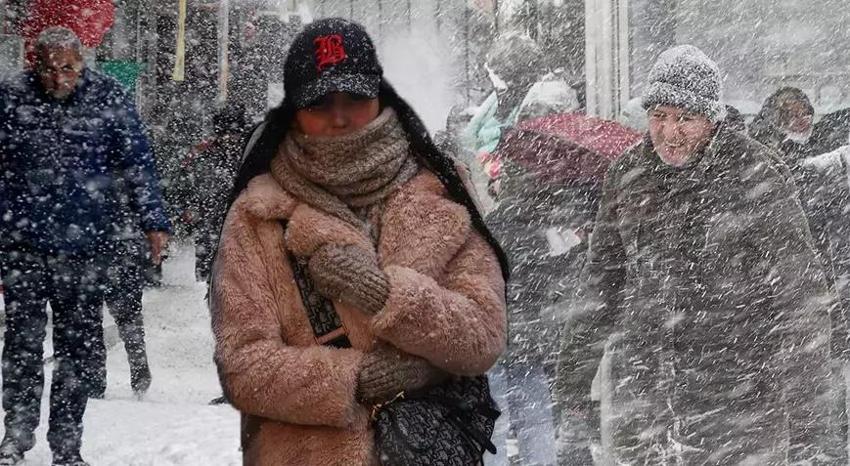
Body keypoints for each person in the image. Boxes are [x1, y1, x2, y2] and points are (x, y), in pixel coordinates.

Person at [209, 18, 508, 465]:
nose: (340, 117)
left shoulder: (442, 192)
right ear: (293, 111)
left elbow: (484, 334)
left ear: (379, 97)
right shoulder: (258, 215)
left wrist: (384, 296)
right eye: (319, 103)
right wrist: (354, 378)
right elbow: (243, 366)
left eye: (355, 98)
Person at [555, 45, 844, 464]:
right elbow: (601, 287)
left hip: (739, 412)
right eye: (659, 116)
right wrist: (573, 399)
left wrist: (808, 431)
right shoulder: (629, 175)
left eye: (685, 118)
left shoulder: (755, 174)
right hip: (646, 410)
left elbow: (800, 299)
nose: (669, 133)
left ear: (711, 119)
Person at [0, 27, 170, 466]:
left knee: (77, 348)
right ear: (35, 65)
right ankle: (17, 432)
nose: (59, 78)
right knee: (22, 342)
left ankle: (67, 444)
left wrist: (153, 220)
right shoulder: (11, 97)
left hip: (86, 245)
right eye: (49, 69)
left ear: (82, 63)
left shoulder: (108, 97)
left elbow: (138, 162)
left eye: (68, 68)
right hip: (23, 243)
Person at [749, 87, 850, 459]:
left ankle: (827, 446)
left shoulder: (824, 147)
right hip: (793, 285)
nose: (802, 119)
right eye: (791, 114)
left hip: (830, 277)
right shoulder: (769, 160)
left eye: (805, 111)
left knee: (830, 369)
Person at [462, 33, 579, 199]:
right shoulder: (508, 96)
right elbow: (473, 137)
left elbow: (524, 161)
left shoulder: (539, 103)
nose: (492, 80)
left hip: (532, 193)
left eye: (494, 74)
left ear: (509, 74)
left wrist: (499, 181)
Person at [175, 104, 249, 283]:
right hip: (209, 217)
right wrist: (189, 207)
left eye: (234, 134)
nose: (230, 138)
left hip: (236, 217)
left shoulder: (248, 153)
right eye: (226, 133)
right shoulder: (204, 153)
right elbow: (186, 184)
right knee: (208, 268)